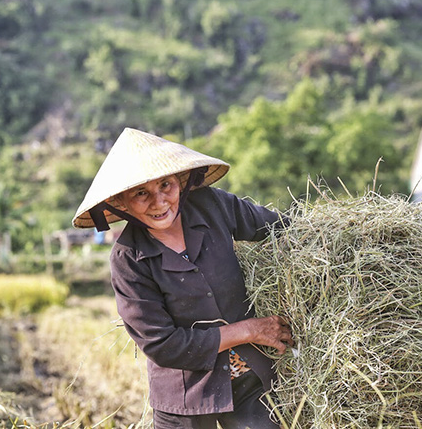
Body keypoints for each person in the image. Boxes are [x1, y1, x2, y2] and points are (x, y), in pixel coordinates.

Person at [72, 128, 293, 429]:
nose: (159, 201)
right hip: (186, 397)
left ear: (181, 182)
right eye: (141, 193)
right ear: (121, 203)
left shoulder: (213, 206)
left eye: (166, 185)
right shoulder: (128, 261)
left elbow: (283, 228)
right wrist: (250, 330)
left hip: (249, 381)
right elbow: (164, 344)